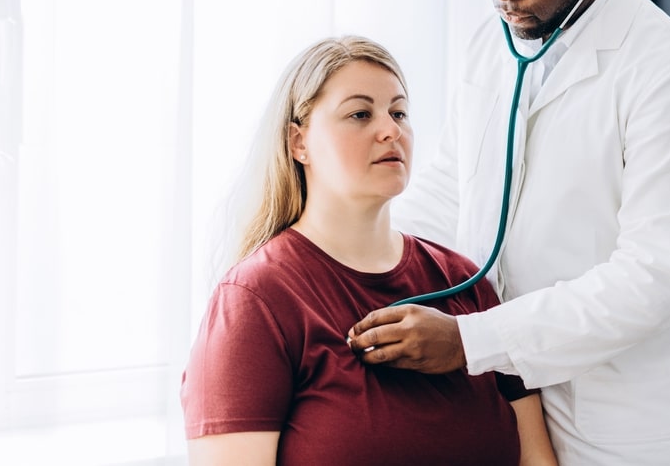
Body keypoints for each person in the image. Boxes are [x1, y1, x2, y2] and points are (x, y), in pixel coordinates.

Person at [347, 0, 670, 464]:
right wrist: (349, 263)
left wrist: (470, 342)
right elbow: (452, 188)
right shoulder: (490, 44)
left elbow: (654, 281)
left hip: (629, 426)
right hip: (512, 403)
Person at [180, 36, 557, 465]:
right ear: (297, 142)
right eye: (360, 114)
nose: (391, 130)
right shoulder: (254, 302)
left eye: (399, 112)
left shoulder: (463, 283)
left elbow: (537, 459)